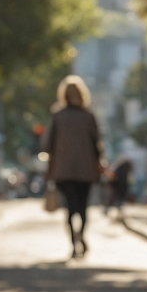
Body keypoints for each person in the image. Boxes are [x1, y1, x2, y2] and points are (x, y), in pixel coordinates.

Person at [44, 76, 103, 258]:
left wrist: (51, 167)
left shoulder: (58, 116)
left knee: (70, 208)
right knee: (83, 208)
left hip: (64, 171)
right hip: (86, 171)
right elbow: (97, 144)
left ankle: (73, 243)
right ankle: (81, 236)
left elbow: (48, 145)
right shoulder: (89, 116)